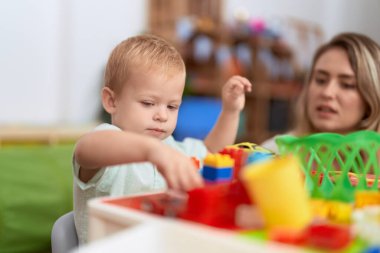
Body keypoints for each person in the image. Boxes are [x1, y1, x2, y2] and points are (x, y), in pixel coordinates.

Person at [73, 34, 252, 243]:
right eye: (148, 103)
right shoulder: (108, 141)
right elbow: (85, 150)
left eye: (172, 106)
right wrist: (152, 150)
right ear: (111, 101)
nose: (162, 115)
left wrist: (230, 112)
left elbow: (212, 151)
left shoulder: (173, 149)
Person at [261, 32, 380, 153]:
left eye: (347, 85)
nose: (327, 93)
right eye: (320, 80)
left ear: (372, 99)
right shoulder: (275, 151)